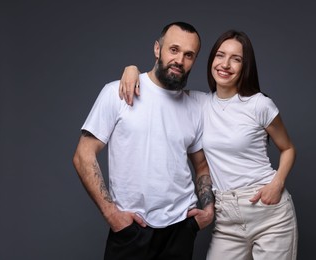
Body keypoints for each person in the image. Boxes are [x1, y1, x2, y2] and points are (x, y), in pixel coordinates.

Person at [120, 29, 298, 260]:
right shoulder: (198, 103)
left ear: (246, 66)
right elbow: (159, 87)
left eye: (236, 59)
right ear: (211, 59)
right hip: (227, 218)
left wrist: (277, 183)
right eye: (220, 55)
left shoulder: (259, 105)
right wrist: (131, 69)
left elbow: (288, 148)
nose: (225, 65)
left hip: (269, 213)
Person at [72, 21, 215, 260]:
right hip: (132, 230)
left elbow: (201, 166)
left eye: (189, 55)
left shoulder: (195, 106)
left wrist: (208, 209)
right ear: (157, 49)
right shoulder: (117, 92)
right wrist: (112, 215)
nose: (180, 60)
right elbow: (82, 155)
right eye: (174, 50)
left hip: (181, 228)